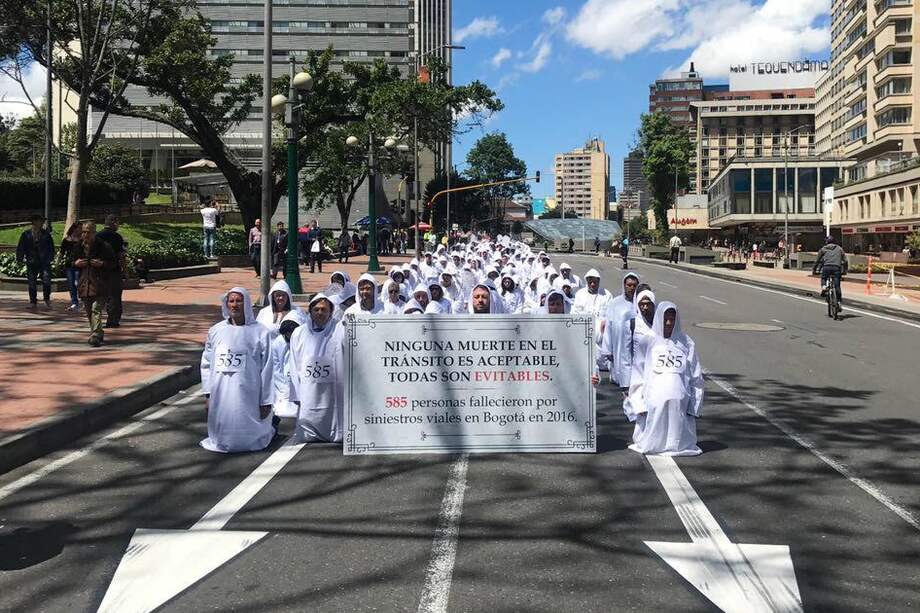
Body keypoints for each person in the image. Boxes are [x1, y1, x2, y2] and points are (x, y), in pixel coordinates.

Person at [200, 287, 275, 453]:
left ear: (246, 304)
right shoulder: (215, 331)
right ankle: (222, 439)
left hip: (249, 391)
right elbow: (206, 363)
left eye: (239, 301)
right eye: (231, 301)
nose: (235, 305)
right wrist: (208, 394)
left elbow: (268, 367)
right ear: (226, 304)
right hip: (221, 392)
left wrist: (266, 401)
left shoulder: (260, 332)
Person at [627, 302, 704, 456]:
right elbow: (638, 375)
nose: (668, 323)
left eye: (672, 319)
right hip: (653, 399)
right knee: (654, 428)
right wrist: (638, 404)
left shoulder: (686, 342)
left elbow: (696, 376)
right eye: (665, 319)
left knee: (677, 429)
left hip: (680, 399)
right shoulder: (648, 341)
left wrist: (695, 406)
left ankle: (677, 445)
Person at [288, 293, 346, 443]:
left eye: (324, 310)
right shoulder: (299, 333)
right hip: (308, 387)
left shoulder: (340, 330)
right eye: (316, 310)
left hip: (333, 386)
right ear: (310, 311)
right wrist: (295, 394)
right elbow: (294, 364)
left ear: (330, 312)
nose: (320, 313)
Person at [73, 222, 118, 346]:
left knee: (96, 309)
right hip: (84, 284)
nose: (85, 234)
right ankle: (97, 331)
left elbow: (113, 263)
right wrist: (75, 263)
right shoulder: (78, 246)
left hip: (100, 283)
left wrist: (102, 264)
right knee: (89, 311)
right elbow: (69, 262)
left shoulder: (104, 246)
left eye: (88, 232)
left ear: (94, 232)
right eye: (83, 232)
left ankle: (96, 335)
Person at [621, 288, 657, 414]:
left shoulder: (661, 325)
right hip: (638, 376)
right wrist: (626, 384)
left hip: (657, 375)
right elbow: (625, 355)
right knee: (640, 413)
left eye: (648, 304)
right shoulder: (632, 324)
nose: (645, 308)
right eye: (642, 304)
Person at [600, 272, 641, 380]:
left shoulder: (641, 303)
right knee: (619, 375)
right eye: (629, 285)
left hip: (636, 345)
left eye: (634, 285)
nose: (631, 288)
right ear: (624, 286)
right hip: (619, 344)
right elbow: (608, 326)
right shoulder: (614, 303)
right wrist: (608, 350)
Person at [16, 214, 54, 309]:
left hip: (44, 261)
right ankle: (33, 301)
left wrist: (50, 258)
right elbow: (21, 247)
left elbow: (51, 247)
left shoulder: (46, 234)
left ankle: (46, 299)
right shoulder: (26, 234)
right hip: (32, 261)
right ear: (35, 222)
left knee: (46, 280)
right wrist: (20, 259)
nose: (42, 223)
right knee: (32, 282)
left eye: (42, 221)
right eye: (40, 221)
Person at [96, 215, 126, 327]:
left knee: (100, 296)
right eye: (118, 222)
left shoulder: (97, 236)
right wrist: (125, 271)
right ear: (113, 222)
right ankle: (113, 320)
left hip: (99, 270)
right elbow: (121, 255)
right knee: (114, 296)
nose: (118, 225)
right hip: (114, 270)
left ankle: (96, 319)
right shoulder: (117, 237)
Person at [271, 316, 301, 419]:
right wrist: (285, 389)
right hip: (282, 385)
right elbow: (276, 369)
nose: (289, 337)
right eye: (286, 335)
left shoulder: (303, 340)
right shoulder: (278, 343)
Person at [813, 235, 847, 313]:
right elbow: (845, 261)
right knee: (837, 285)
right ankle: (838, 302)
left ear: (826, 242)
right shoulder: (839, 249)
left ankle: (824, 286)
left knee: (824, 277)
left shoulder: (823, 249)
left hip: (827, 267)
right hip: (837, 268)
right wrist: (845, 270)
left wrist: (814, 270)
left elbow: (817, 260)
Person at [60, 222, 83, 312]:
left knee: (78, 283)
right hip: (69, 264)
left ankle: (83, 300)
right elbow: (62, 252)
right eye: (79, 228)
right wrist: (58, 262)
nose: (81, 230)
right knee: (71, 284)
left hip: (80, 264)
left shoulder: (82, 240)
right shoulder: (67, 240)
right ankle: (74, 302)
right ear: (74, 228)